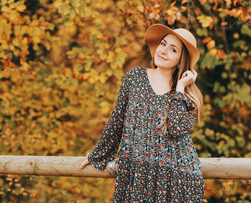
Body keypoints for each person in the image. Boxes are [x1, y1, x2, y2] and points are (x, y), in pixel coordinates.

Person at [80, 24, 204, 202]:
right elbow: (117, 120)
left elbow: (176, 130)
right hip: (137, 176)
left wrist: (180, 89)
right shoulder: (135, 78)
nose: (163, 51)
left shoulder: (187, 96)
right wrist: (98, 155)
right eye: (163, 44)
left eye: (173, 49)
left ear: (180, 60)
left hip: (175, 179)